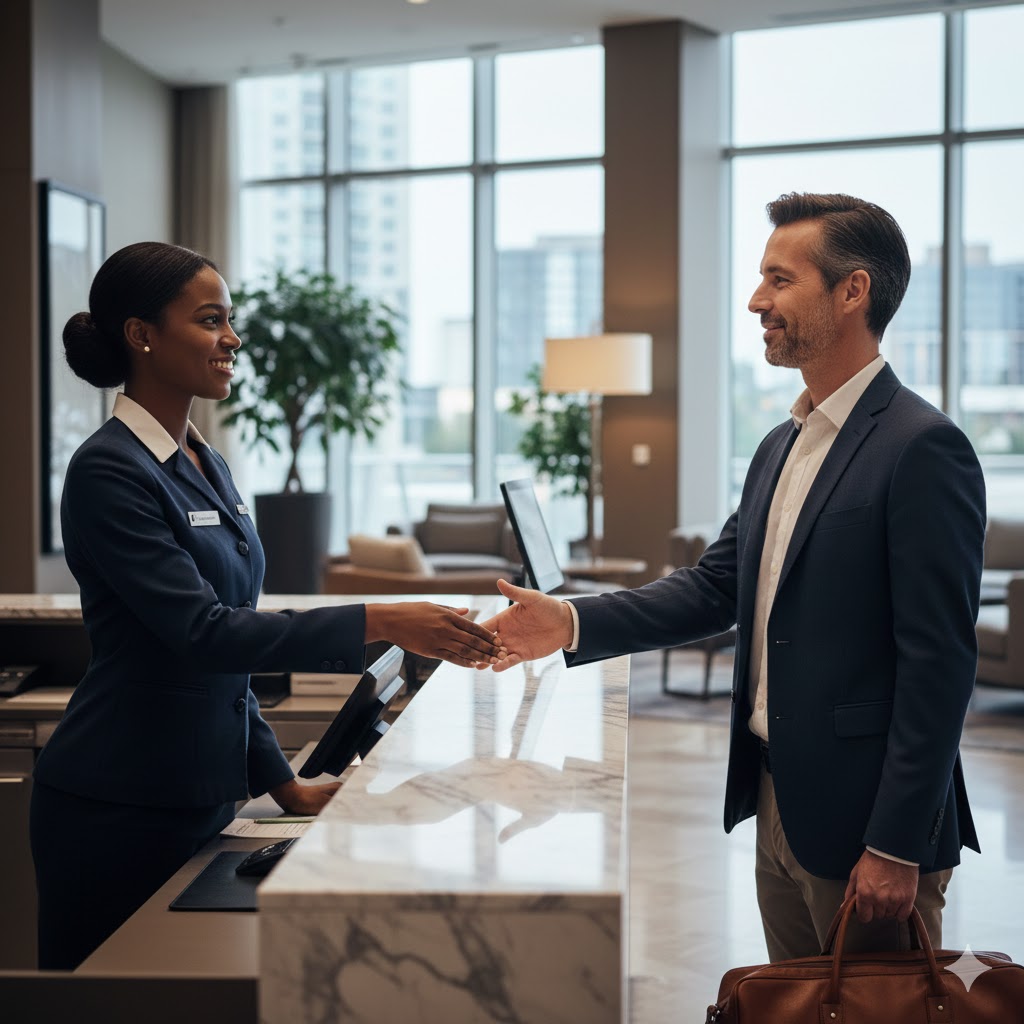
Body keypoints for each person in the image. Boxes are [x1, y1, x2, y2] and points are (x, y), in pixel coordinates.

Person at [482, 193, 986, 962]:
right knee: (792, 1006)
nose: (757, 301)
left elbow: (940, 663)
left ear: (853, 292)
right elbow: (715, 587)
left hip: (868, 823)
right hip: (779, 797)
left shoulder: (923, 448)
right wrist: (571, 621)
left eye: (780, 280)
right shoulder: (780, 446)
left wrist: (895, 842)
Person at [30, 241, 505, 971]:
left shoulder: (204, 463)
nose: (233, 340)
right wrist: (381, 618)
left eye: (231, 320)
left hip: (202, 795)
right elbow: (203, 634)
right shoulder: (108, 470)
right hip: (117, 805)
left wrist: (284, 784)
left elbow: (229, 666)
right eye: (211, 320)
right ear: (142, 334)